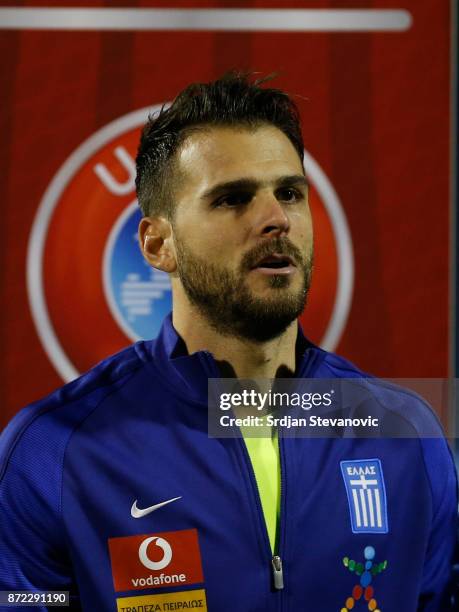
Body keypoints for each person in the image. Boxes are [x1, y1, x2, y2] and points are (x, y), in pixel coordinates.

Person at [0, 73, 457, 612]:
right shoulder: (53, 451)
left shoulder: (405, 431)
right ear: (157, 244)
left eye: (289, 193)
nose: (276, 219)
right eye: (233, 199)